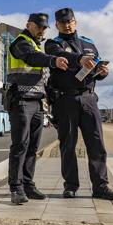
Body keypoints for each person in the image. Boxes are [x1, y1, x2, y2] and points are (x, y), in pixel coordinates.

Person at [44, 8, 113, 200]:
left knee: (96, 144)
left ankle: (100, 187)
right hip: (65, 100)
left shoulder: (89, 43)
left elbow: (97, 67)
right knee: (68, 145)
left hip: (89, 98)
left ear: (75, 22)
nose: (67, 25)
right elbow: (60, 56)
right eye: (62, 23)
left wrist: (102, 72)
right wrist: (79, 59)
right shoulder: (53, 44)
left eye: (70, 22)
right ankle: (71, 186)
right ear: (57, 25)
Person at [5, 13, 68, 204]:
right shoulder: (21, 43)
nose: (42, 30)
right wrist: (52, 60)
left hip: (37, 102)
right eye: (39, 26)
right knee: (20, 145)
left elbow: (41, 77)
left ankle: (28, 185)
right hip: (21, 100)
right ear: (28, 25)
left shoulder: (35, 45)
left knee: (32, 147)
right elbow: (32, 58)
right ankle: (16, 188)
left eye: (44, 27)